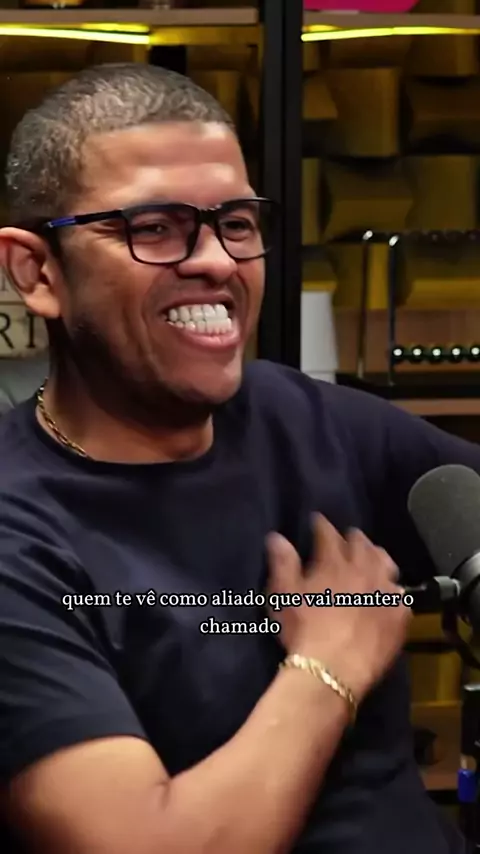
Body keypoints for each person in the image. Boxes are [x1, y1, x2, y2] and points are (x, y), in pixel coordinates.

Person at [0, 63, 476, 854]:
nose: (217, 260)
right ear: (38, 272)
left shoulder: (304, 417)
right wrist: (329, 666)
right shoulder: (18, 536)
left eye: (237, 223)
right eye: (156, 227)